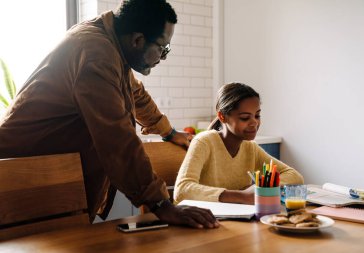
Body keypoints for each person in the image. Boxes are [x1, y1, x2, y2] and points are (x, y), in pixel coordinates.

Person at [0, 0, 218, 229]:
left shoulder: (109, 43)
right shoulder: (97, 54)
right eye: (163, 49)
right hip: (20, 176)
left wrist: (169, 132)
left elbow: (136, 93)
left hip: (46, 172)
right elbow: (117, 139)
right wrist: (162, 204)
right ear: (137, 40)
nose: (162, 57)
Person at [174, 83, 304, 205]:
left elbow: (294, 176)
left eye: (257, 116)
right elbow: (182, 190)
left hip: (235, 219)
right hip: (201, 220)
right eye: (245, 118)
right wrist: (242, 196)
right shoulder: (204, 142)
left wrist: (259, 188)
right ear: (222, 116)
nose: (254, 123)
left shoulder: (250, 147)